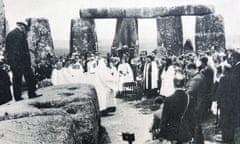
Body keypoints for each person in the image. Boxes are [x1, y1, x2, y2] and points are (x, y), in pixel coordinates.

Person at [5, 21, 39, 101]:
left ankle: (18, 97)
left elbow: (9, 50)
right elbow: (19, 50)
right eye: (24, 27)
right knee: (28, 77)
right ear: (21, 26)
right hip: (21, 61)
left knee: (17, 79)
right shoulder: (19, 34)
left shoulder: (11, 34)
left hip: (15, 61)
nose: (25, 29)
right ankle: (31, 93)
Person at [157, 73, 193, 143]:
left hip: (173, 133)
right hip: (186, 131)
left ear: (173, 84)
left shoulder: (168, 99)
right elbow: (192, 117)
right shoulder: (190, 98)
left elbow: (164, 119)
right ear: (184, 84)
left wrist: (162, 134)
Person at [186, 63, 208, 144]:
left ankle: (197, 142)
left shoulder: (196, 79)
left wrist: (181, 93)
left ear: (192, 69)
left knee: (195, 126)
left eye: (188, 70)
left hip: (196, 106)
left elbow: (189, 91)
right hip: (200, 105)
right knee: (197, 126)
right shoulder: (200, 75)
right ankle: (200, 141)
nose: (187, 72)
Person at [215, 64, 234, 143]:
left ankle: (225, 137)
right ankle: (230, 136)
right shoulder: (233, 77)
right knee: (230, 120)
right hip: (231, 102)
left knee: (224, 120)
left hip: (224, 102)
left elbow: (220, 91)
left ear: (225, 70)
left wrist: (217, 101)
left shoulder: (223, 78)